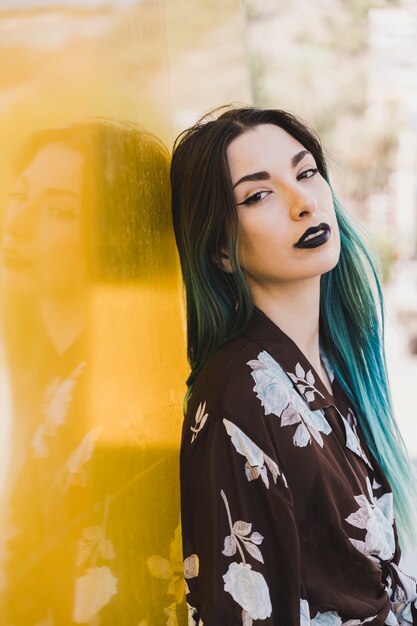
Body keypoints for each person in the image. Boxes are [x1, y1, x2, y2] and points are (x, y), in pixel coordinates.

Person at [170, 106, 417, 626]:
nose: (303, 202)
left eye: (305, 173)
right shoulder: (237, 390)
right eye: (258, 194)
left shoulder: (332, 365)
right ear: (220, 251)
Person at [0, 120, 184, 625]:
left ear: (118, 234)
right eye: (19, 195)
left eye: (58, 209)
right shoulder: (53, 371)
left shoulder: (125, 402)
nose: (16, 222)